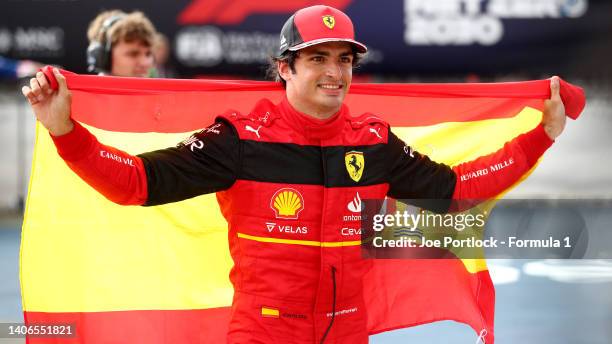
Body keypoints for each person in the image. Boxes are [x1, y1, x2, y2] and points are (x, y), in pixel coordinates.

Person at [22, 5, 566, 343]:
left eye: (345, 60)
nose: (335, 73)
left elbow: (458, 191)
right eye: (317, 59)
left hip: (348, 332)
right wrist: (67, 130)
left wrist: (541, 133)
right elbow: (136, 182)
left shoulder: (373, 143)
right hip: (262, 334)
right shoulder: (238, 138)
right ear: (285, 68)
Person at [86, 10, 157, 77]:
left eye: (148, 54)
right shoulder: (77, 90)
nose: (145, 63)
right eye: (133, 54)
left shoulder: (156, 89)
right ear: (102, 58)